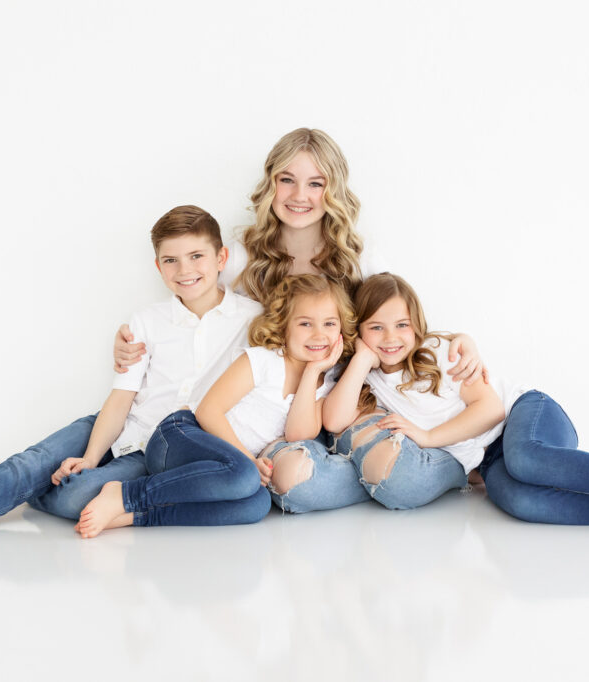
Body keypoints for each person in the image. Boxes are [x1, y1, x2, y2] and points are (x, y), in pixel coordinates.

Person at [112, 128, 485, 510]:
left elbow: (395, 319)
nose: (299, 196)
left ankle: (449, 464)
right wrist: (134, 341)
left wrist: (457, 338)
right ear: (270, 184)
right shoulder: (242, 258)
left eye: (315, 183)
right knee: (293, 488)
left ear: (334, 189)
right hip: (275, 414)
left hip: (342, 402)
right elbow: (194, 299)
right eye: (286, 180)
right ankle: (378, 475)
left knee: (397, 476)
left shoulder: (358, 256)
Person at [0, 205, 265, 549]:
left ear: (221, 258)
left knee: (77, 497)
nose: (185, 270)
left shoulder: (252, 320)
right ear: (157, 266)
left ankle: (11, 491)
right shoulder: (147, 321)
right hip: (119, 425)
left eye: (196, 256)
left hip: (162, 452)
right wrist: (91, 456)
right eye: (171, 260)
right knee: (31, 462)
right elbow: (121, 398)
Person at [322, 273, 589, 540]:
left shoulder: (438, 352)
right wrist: (360, 358)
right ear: (360, 332)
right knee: (520, 502)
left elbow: (490, 411)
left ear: (418, 325)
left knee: (526, 460)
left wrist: (428, 437)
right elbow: (336, 419)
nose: (390, 338)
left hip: (527, 414)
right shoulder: (368, 378)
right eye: (376, 328)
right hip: (490, 457)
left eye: (401, 325)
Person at [76, 274, 353, 536]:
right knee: (245, 475)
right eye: (305, 324)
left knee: (257, 504)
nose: (319, 335)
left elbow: (298, 434)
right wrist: (247, 458)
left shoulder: (324, 383)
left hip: (218, 468)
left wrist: (313, 373)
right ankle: (125, 495)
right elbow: (208, 411)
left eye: (329, 324)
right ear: (283, 325)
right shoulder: (263, 360)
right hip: (178, 437)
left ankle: (138, 515)